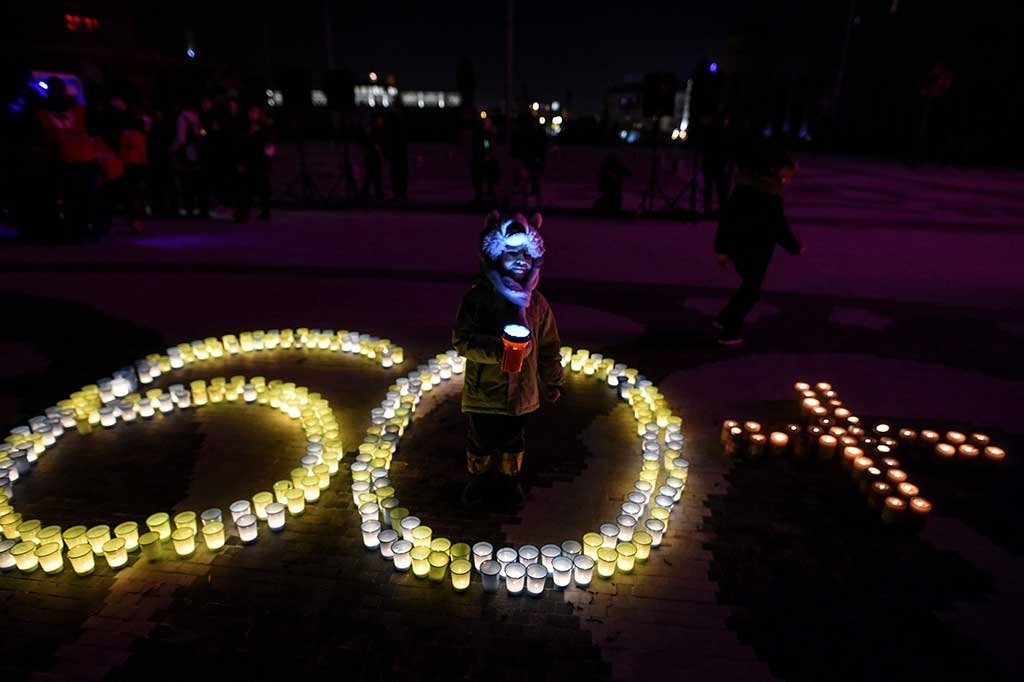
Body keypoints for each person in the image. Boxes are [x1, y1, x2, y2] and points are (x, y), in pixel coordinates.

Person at [453, 211, 563, 507]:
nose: (520, 260)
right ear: (494, 256)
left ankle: (509, 482)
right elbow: (462, 341)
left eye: (527, 254)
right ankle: (478, 481)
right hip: (484, 392)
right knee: (482, 440)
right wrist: (498, 351)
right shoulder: (478, 300)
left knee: (513, 441)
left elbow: (550, 345)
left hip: (522, 395)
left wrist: (552, 379)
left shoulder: (537, 304)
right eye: (512, 252)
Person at [713, 144, 803, 345]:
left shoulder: (745, 187)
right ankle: (730, 331)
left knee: (748, 287)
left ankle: (724, 318)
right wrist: (795, 247)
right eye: (787, 176)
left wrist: (721, 248)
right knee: (751, 290)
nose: (789, 181)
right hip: (757, 248)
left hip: (738, 245)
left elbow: (727, 218)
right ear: (776, 169)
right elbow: (779, 226)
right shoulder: (770, 195)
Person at [36, 77, 98, 239]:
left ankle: (60, 229)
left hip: (59, 157)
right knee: (79, 196)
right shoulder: (78, 109)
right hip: (82, 156)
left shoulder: (42, 110)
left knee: (60, 195)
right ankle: (79, 228)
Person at [234, 105, 274, 221]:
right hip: (249, 161)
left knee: (263, 187)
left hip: (260, 162)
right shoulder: (245, 127)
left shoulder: (264, 128)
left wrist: (267, 160)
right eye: (251, 112)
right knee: (246, 187)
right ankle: (244, 212)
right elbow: (241, 145)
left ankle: (265, 211)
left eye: (255, 112)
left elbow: (268, 145)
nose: (252, 114)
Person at [172, 99, 207, 217]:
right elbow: (202, 132)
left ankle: (189, 208)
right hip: (197, 151)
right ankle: (203, 208)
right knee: (200, 181)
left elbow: (181, 138)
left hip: (187, 152)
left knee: (187, 181)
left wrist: (173, 149)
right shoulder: (197, 117)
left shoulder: (182, 118)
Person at [471, 117, 500, 205]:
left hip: (485, 160)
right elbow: (486, 144)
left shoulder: (486, 134)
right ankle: (483, 196)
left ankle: (486, 196)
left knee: (486, 179)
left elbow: (487, 144)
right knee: (482, 179)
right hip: (483, 159)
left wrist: (487, 153)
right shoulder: (484, 134)